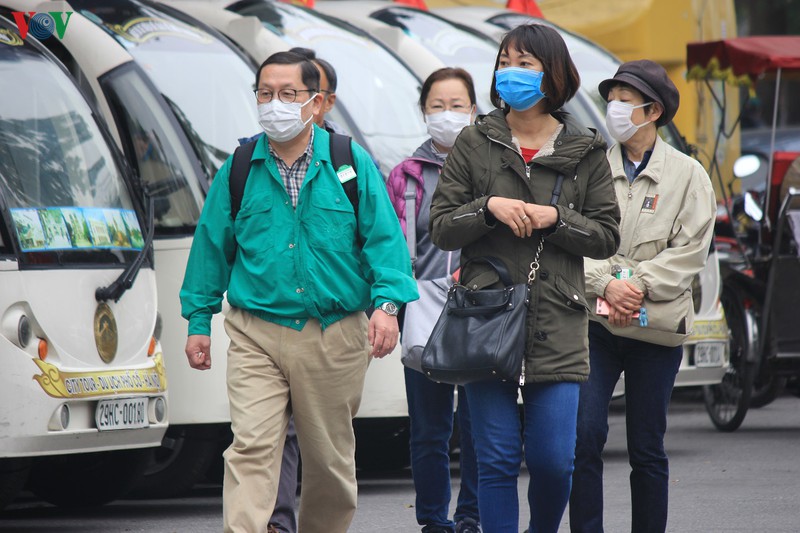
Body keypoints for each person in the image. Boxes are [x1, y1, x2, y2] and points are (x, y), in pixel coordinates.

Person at [180, 51, 418, 533]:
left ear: (315, 102)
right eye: (265, 94)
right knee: (250, 447)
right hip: (256, 333)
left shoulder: (350, 163)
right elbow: (211, 249)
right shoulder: (239, 168)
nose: (275, 105)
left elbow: (385, 243)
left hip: (334, 335)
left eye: (288, 94)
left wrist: (388, 307)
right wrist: (198, 321)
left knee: (328, 463)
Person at [428, 24, 621, 533]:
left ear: (553, 74)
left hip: (558, 320)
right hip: (484, 316)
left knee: (555, 461)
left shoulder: (586, 149)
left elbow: (606, 237)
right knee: (493, 461)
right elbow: (442, 228)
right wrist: (487, 207)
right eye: (505, 62)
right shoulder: (475, 140)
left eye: (525, 64)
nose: (510, 73)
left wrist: (556, 220)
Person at [569, 60, 716, 533]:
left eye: (624, 100)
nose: (613, 107)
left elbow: (691, 250)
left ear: (652, 111)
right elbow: (571, 236)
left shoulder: (689, 175)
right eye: (611, 98)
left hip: (655, 331)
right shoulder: (589, 166)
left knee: (646, 447)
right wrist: (605, 284)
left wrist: (636, 285)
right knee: (583, 438)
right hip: (594, 324)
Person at [386, 67, 481, 533]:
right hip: (422, 310)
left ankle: (471, 516)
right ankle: (433, 521)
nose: (447, 115)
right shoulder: (405, 175)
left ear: (475, 110)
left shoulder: (495, 167)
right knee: (430, 428)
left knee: (483, 425)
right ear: (424, 112)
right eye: (437, 106)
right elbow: (389, 246)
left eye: (457, 105)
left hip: (485, 308)